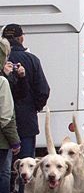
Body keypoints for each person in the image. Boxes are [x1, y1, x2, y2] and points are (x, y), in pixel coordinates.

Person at [1, 23, 50, 171]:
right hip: (26, 119)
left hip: (4, 122)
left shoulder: (4, 61)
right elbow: (43, 90)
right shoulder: (31, 59)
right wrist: (34, 107)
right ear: (21, 38)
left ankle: (7, 192)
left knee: (4, 168)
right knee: (27, 166)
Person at [0, 37, 21, 193]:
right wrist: (15, 141)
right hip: (2, 139)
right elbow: (6, 116)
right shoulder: (2, 82)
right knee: (4, 173)